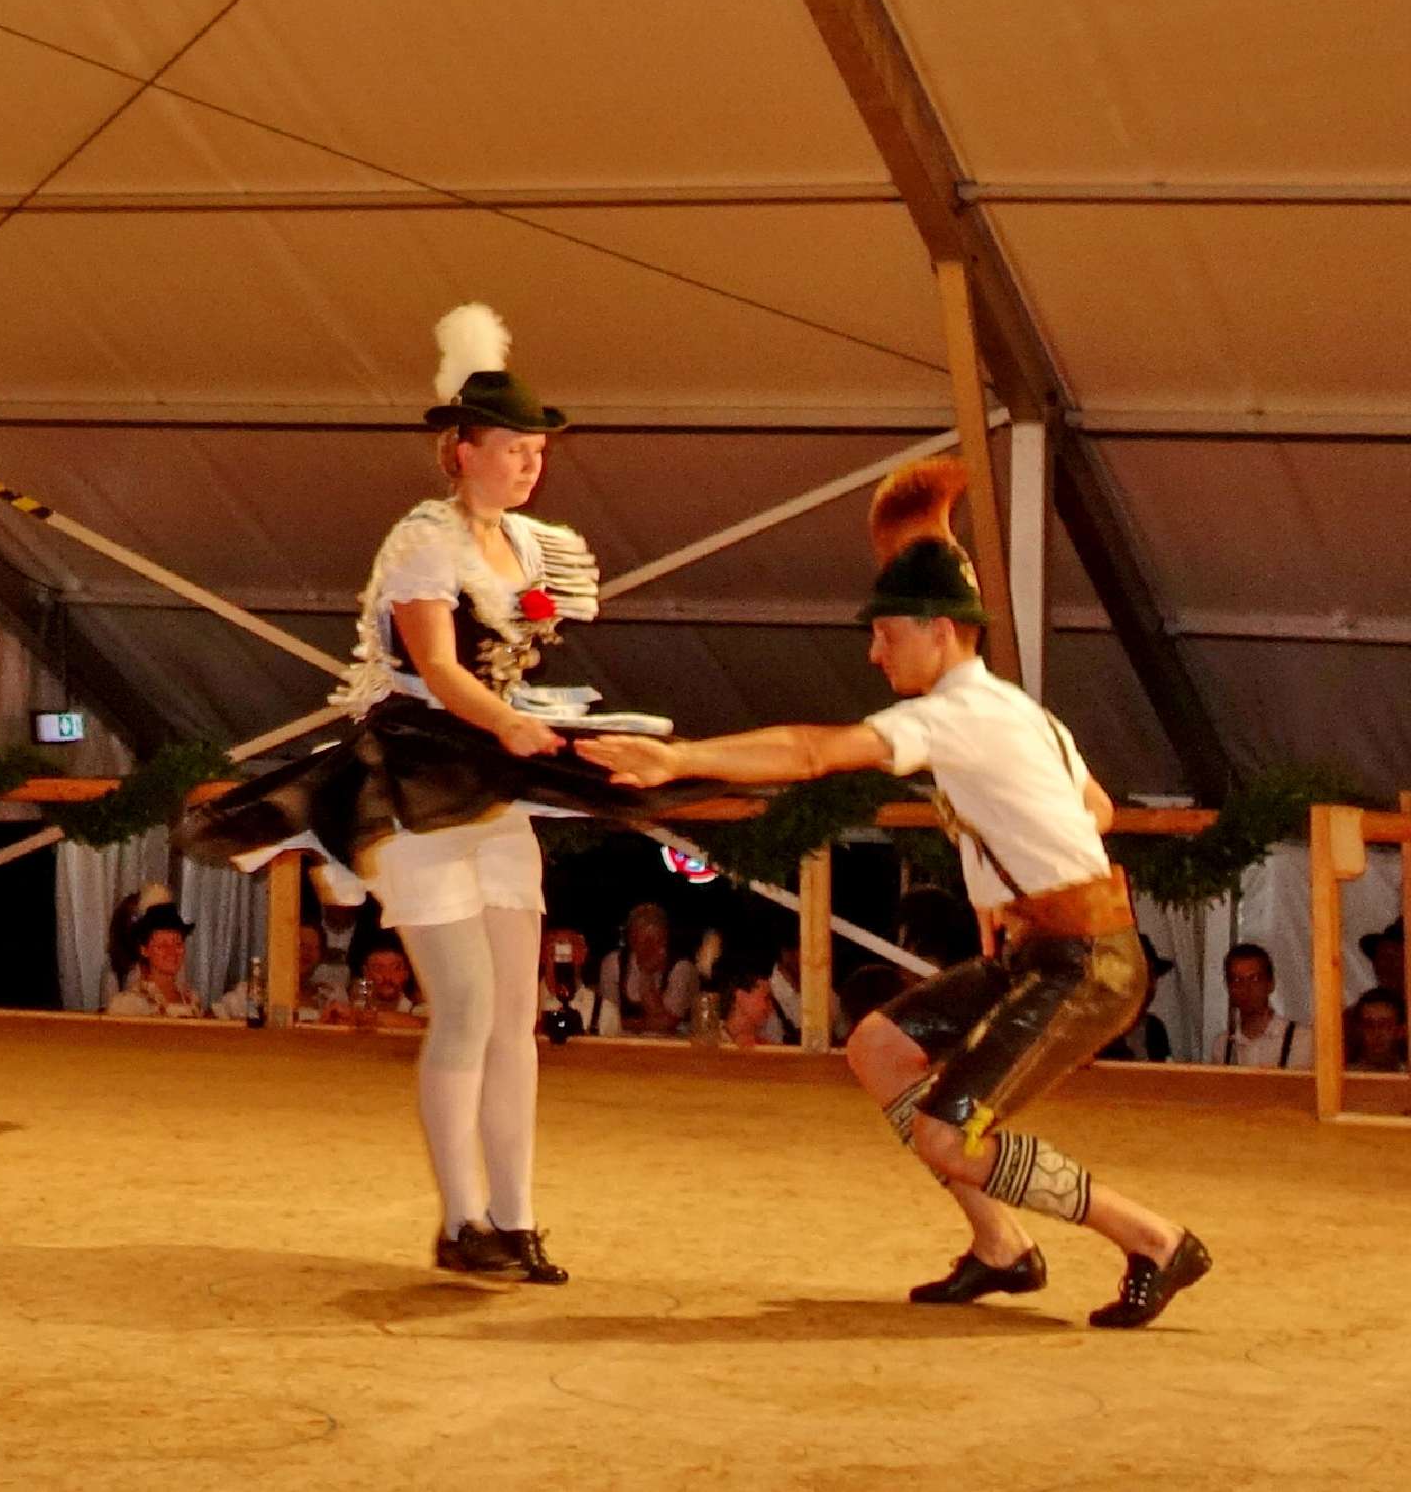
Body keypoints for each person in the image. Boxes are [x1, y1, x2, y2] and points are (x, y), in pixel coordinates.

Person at [583, 458, 1210, 1328]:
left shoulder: (961, 714)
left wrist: (678, 757)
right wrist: (1018, 882)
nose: (874, 652)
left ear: (939, 631)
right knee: (879, 1047)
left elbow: (811, 753)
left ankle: (1156, 1240)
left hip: (1087, 964)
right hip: (1048, 950)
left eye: (885, 634)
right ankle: (1002, 1247)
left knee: (949, 1134)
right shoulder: (1016, 714)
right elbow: (1094, 810)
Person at [183, 304, 712, 1284]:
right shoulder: (423, 543)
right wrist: (506, 720)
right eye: (512, 448)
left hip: (493, 784)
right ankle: (460, 1220)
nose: (529, 464)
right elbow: (435, 665)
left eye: (537, 450)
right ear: (461, 452)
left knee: (515, 1012)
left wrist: (532, 723)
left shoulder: (532, 546)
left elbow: (504, 672)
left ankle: (515, 1218)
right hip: (417, 778)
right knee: (465, 1005)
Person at [595, 901, 697, 1036]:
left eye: (658, 941)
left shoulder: (682, 968)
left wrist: (646, 976)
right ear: (631, 940)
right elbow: (608, 1018)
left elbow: (665, 1025)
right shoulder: (613, 964)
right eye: (645, 941)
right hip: (623, 1043)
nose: (650, 948)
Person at [215, 919, 349, 1022]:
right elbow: (218, 1017)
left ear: (321, 957)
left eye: (313, 948)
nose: (306, 952)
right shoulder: (249, 994)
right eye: (300, 945)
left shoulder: (331, 995)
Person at [104, 886, 203, 1018]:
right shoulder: (129, 1005)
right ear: (144, 950)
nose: (172, 951)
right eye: (162, 945)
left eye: (178, 944)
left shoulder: (192, 1000)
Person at [1215, 943, 1311, 1070]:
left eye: (1255, 979)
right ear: (1228, 987)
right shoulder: (1222, 1047)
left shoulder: (1302, 1041)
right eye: (1237, 980)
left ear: (1270, 984)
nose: (1246, 988)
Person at [1348, 986, 1408, 1074]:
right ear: (1359, 1029)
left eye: (1385, 1024)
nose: (1377, 1032)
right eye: (1368, 1024)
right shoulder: (1343, 1077)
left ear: (1400, 1030)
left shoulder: (1407, 1076)